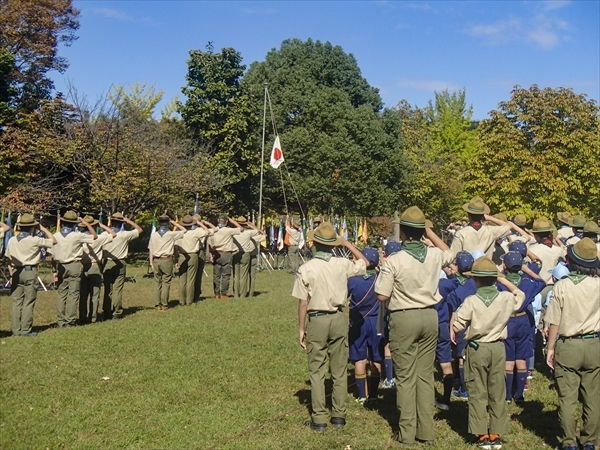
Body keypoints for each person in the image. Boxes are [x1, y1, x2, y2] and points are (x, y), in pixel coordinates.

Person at [375, 206, 454, 446]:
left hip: (404, 317)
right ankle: (427, 431)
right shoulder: (434, 255)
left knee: (406, 377)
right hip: (430, 316)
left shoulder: (395, 260)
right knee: (425, 375)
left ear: (403, 232)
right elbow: (449, 251)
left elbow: (381, 295)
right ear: (422, 232)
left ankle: (407, 433)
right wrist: (429, 232)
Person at [293, 222, 368, 432]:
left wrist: (301, 328)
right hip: (338, 318)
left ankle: (319, 418)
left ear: (315, 243)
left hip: (317, 319)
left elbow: (303, 302)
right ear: (334, 244)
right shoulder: (342, 264)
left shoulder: (306, 268)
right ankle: (339, 415)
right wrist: (347, 244)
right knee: (339, 369)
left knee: (316, 370)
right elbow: (364, 262)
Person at [452, 257, 526, 450]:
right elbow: (520, 296)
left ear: (475, 280)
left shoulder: (471, 301)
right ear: (495, 279)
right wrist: (503, 280)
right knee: (497, 389)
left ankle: (481, 433)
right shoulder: (506, 298)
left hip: (477, 347)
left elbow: (458, 324)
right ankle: (496, 432)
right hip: (498, 347)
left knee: (477, 390)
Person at [545, 238, 600, 450]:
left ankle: (568, 442)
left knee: (567, 398)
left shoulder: (562, 286)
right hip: (594, 343)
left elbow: (554, 323)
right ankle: (589, 441)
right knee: (592, 397)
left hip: (569, 343)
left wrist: (550, 348)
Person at [498, 251, 546, 404]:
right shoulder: (526, 281)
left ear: (505, 265)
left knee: (509, 358)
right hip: (523, 319)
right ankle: (519, 394)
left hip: (508, 320)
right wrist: (528, 270)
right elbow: (542, 282)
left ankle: (507, 395)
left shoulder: (500, 282)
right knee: (521, 358)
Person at [5, 214, 56, 336]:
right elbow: (54, 241)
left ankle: (16, 330)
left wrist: (11, 275)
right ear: (32, 227)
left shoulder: (12, 240)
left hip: (17, 271)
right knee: (28, 301)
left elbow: (8, 259)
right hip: (30, 271)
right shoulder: (35, 240)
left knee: (16, 302)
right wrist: (42, 228)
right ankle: (26, 330)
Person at [347, 247, 384, 406]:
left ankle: (362, 395)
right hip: (377, 322)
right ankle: (374, 394)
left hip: (358, 322)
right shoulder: (380, 278)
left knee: (359, 359)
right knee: (376, 359)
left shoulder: (353, 280)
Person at [52, 210, 97, 328]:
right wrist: (86, 224)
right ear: (74, 224)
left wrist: (54, 271)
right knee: (73, 293)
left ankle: (60, 320)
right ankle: (70, 320)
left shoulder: (56, 236)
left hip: (61, 266)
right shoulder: (77, 235)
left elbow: (52, 256)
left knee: (62, 294)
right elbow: (94, 236)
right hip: (75, 265)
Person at [446, 251, 478, 400]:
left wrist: (452, 327)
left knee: (461, 356)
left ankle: (464, 388)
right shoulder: (477, 283)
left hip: (461, 324)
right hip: (478, 322)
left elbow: (452, 311)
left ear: (457, 267)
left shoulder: (455, 288)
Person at [450, 197, 529, 259]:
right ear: (483, 215)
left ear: (468, 214)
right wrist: (490, 218)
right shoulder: (491, 231)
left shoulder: (461, 233)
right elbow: (510, 227)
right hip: (486, 271)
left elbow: (453, 256)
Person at [102, 213, 142, 320]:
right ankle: (117, 311)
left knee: (107, 289)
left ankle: (106, 311)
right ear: (121, 223)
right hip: (120, 262)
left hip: (107, 262)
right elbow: (139, 230)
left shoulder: (105, 234)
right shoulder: (124, 235)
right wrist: (129, 221)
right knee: (118, 289)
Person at [79, 215, 116, 323]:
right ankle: (93, 316)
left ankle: (82, 317)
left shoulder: (80, 238)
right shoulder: (99, 238)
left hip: (83, 266)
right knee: (95, 294)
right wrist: (102, 225)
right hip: (95, 266)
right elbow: (113, 234)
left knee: (83, 294)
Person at [148, 214, 186, 310]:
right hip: (167, 260)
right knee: (166, 282)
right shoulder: (171, 234)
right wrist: (175, 223)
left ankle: (157, 304)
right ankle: (164, 304)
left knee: (157, 282)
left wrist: (151, 262)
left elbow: (151, 249)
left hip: (156, 260)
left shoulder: (154, 235)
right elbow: (184, 230)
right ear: (168, 223)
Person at [174, 215, 212, 306]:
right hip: (193, 255)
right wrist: (199, 223)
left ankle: (182, 300)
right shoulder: (195, 232)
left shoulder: (178, 233)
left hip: (182, 255)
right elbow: (208, 231)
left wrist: (176, 260)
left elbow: (175, 248)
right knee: (191, 279)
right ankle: (189, 300)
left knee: (182, 280)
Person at [380, 240, 402, 389]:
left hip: (391, 311)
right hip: (406, 310)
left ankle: (390, 377)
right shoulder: (405, 265)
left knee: (388, 345)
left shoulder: (386, 269)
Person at [209, 215, 243, 299]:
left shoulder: (214, 230)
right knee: (226, 275)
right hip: (226, 253)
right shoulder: (228, 230)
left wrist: (211, 255)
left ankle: (216, 293)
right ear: (226, 221)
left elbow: (210, 245)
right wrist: (232, 221)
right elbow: (241, 228)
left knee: (216, 275)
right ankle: (224, 293)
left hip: (216, 253)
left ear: (218, 220)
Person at [232, 217, 265, 298]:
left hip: (236, 253)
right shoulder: (249, 233)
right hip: (247, 254)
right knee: (245, 276)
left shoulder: (233, 233)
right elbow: (261, 233)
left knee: (236, 276)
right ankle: (244, 294)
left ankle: (236, 294)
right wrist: (250, 225)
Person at [192, 214, 216, 302]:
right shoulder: (202, 230)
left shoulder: (187, 230)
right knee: (198, 275)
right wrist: (206, 223)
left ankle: (188, 295)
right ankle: (196, 295)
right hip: (200, 251)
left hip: (189, 252)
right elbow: (215, 229)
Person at [249, 223, 267, 297]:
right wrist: (257, 229)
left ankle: (241, 292)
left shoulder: (239, 235)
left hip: (242, 256)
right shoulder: (254, 237)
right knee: (252, 276)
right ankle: (251, 292)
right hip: (252, 256)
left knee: (241, 276)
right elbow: (265, 235)